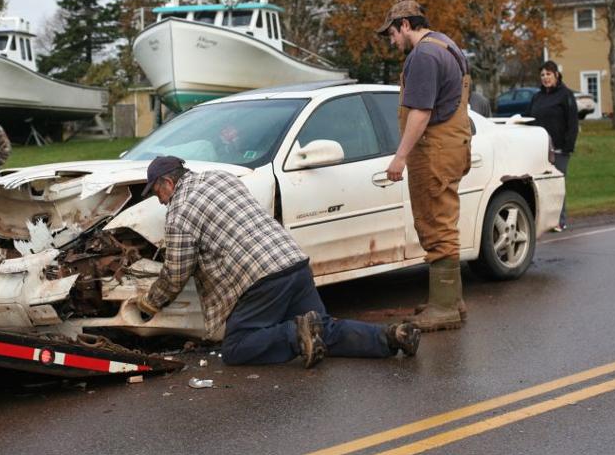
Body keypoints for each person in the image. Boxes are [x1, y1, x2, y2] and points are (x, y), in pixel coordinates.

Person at [131, 156, 421, 368]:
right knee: (322, 328)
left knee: (236, 348)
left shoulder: (179, 211)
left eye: (158, 193)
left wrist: (151, 302)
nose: (160, 201)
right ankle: (391, 337)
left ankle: (295, 334)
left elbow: (176, 272)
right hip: (292, 262)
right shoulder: (219, 177)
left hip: (261, 279)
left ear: (168, 181)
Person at [379, 0, 472, 332]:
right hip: (454, 144)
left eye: (392, 33)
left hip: (434, 150)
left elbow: (420, 112)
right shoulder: (447, 45)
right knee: (444, 220)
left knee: (436, 224)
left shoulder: (423, 56)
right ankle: (450, 300)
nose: (392, 42)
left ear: (405, 24)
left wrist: (400, 157)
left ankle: (444, 307)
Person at [527, 60, 578, 232]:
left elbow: (573, 123)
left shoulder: (565, 95)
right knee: (541, 186)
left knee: (557, 185)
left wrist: (567, 146)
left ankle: (559, 221)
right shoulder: (537, 97)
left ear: (556, 75)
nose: (545, 78)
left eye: (548, 74)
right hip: (539, 149)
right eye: (542, 75)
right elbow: (530, 118)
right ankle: (543, 221)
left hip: (559, 149)